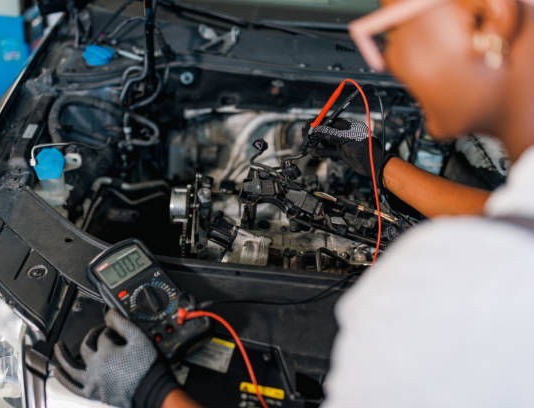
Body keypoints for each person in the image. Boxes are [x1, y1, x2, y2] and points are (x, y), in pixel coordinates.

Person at [53, 0, 534, 406]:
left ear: (489, 17)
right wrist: (382, 166)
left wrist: (154, 391)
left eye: (387, 28)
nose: (387, 62)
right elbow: (508, 210)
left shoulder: (449, 291)